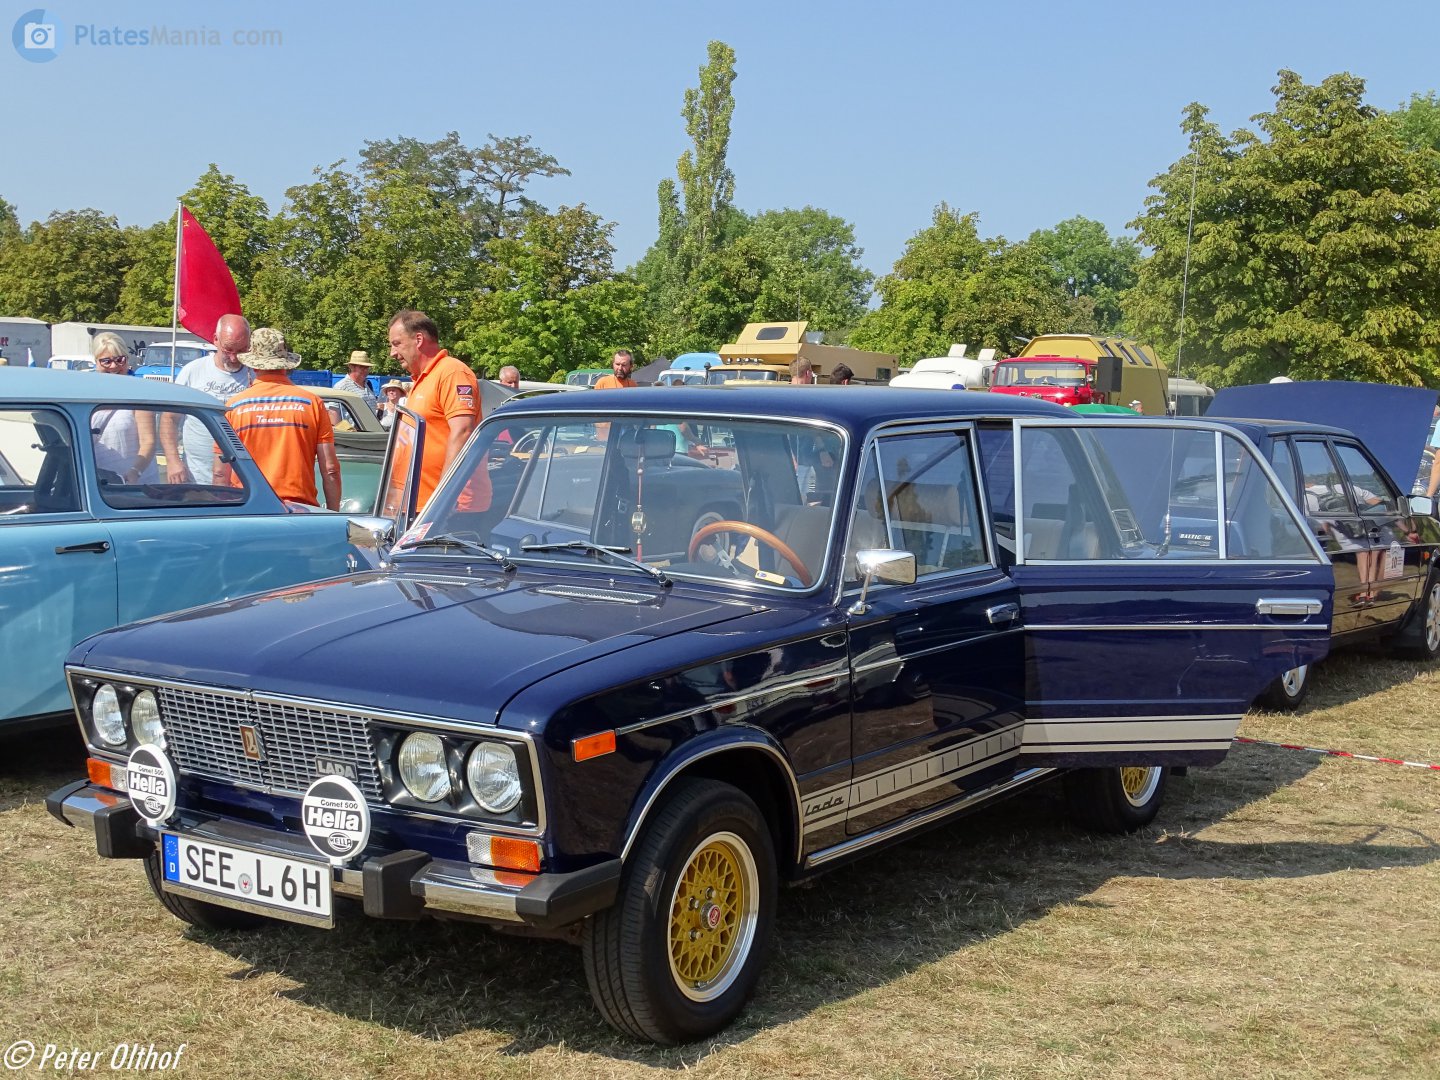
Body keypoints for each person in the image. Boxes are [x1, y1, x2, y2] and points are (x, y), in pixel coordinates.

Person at [222, 328, 340, 509]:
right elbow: (330, 469)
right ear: (286, 364)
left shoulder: (234, 406)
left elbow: (220, 472)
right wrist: (333, 514)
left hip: (247, 509)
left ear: (253, 365)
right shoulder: (312, 403)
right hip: (299, 511)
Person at [387, 308, 479, 509]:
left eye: (396, 344)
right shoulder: (422, 379)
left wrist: (442, 498)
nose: (392, 353)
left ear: (418, 339)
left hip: (448, 507)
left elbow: (463, 432)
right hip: (419, 503)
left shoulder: (452, 372)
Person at [162, 315, 253, 483]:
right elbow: (169, 418)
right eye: (228, 350)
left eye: (241, 351)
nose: (234, 358)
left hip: (243, 480)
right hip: (196, 477)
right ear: (215, 339)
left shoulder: (254, 375)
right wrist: (173, 460)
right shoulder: (193, 371)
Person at [89, 332, 158, 484]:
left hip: (135, 482)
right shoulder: (85, 394)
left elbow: (149, 442)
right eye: (106, 361)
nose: (114, 366)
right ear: (96, 362)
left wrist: (135, 472)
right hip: (99, 482)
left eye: (119, 360)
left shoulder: (140, 394)